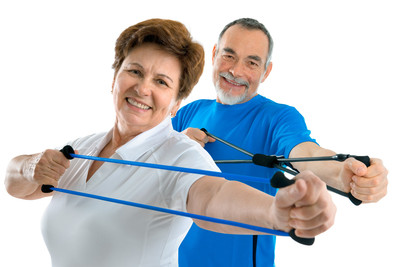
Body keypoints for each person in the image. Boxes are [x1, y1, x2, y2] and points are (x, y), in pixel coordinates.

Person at [4, 19, 336, 267]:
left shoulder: (178, 156)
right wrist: (30, 165)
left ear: (175, 101)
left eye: (161, 81)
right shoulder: (83, 146)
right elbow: (16, 184)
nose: (143, 88)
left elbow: (211, 197)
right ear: (114, 77)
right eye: (134, 71)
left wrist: (276, 213)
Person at [172, 18, 389, 267]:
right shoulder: (188, 113)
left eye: (252, 62)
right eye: (229, 56)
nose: (236, 71)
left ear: (266, 71)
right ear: (214, 54)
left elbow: (304, 152)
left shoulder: (277, 117)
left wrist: (344, 175)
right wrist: (178, 145)